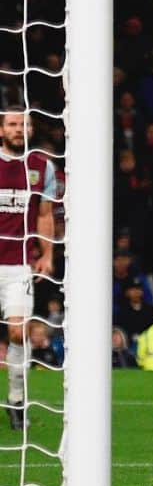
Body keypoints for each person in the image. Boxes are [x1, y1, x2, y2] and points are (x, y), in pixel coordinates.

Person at [0, 109, 56, 430]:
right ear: (1, 129)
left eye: (24, 124)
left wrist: (47, 253)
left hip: (18, 265)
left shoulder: (41, 166)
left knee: (18, 331)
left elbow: (45, 213)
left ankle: (17, 398)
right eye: (12, 124)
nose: (19, 129)